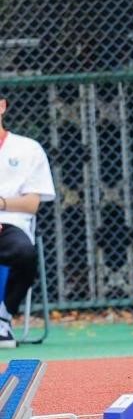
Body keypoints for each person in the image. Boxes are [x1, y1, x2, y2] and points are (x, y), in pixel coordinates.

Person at [0, 93, 55, 349]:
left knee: (24, 253)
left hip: (11, 226)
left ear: (2, 106)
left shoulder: (28, 149)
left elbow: (31, 204)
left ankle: (3, 318)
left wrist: (1, 204)